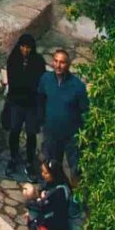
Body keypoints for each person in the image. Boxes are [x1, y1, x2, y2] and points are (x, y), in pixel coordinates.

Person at [37, 48, 89, 184]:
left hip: (71, 137)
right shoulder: (46, 79)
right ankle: (53, 191)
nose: (58, 65)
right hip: (51, 133)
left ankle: (76, 199)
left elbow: (84, 110)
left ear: (68, 65)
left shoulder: (77, 87)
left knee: (75, 169)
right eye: (56, 61)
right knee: (51, 165)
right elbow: (40, 100)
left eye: (62, 62)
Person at [0, 31, 45, 171]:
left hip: (31, 105)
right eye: (23, 47)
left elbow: (38, 83)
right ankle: (14, 157)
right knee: (14, 131)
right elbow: (15, 82)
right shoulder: (13, 60)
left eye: (28, 47)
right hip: (16, 103)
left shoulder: (38, 62)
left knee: (31, 133)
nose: (25, 50)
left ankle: (30, 161)